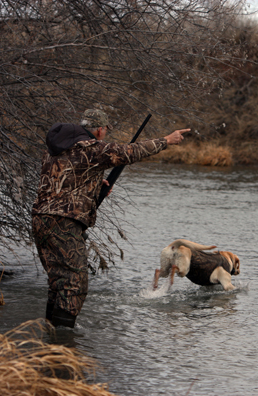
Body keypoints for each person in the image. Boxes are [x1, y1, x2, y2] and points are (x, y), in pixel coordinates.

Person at [31, 108, 188, 328]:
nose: (104, 134)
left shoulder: (55, 150)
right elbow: (130, 152)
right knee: (75, 284)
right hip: (64, 223)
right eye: (104, 130)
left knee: (58, 282)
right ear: (99, 130)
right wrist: (166, 140)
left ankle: (48, 336)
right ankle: (62, 344)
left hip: (40, 219)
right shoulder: (92, 148)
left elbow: (61, 181)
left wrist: (94, 186)